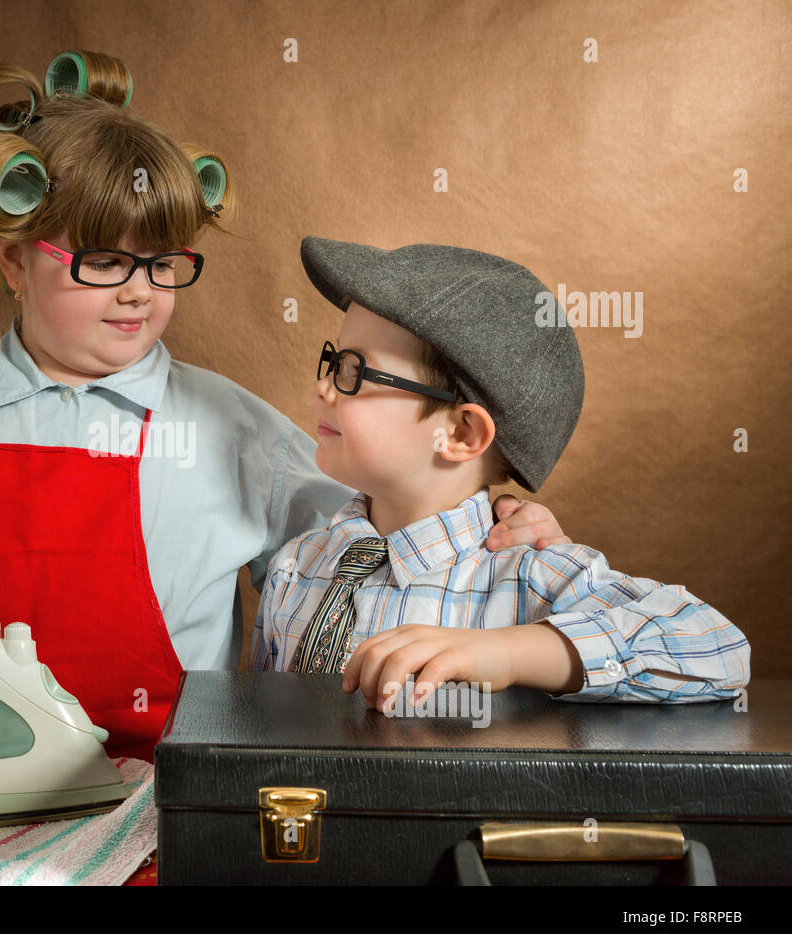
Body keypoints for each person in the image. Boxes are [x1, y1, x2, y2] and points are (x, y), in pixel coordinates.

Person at [0, 52, 572, 759]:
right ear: (12, 256)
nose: (139, 290)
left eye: (163, 263)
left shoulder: (232, 427)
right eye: (103, 261)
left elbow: (381, 537)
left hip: (167, 794)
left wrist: (494, 516)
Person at [253, 237, 750, 711]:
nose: (325, 387)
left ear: (464, 433)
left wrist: (510, 654)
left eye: (355, 370)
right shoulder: (295, 569)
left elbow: (719, 647)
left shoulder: (531, 577)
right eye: (333, 360)